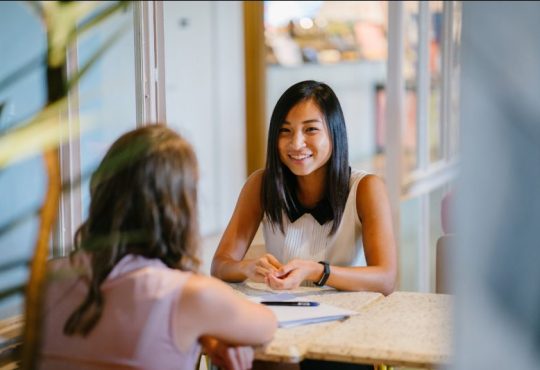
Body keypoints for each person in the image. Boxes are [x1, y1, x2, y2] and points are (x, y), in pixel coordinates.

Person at [40, 125, 277, 370]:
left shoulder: (47, 278)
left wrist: (202, 334)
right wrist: (206, 331)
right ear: (178, 208)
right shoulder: (189, 293)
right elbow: (266, 325)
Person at [211, 80, 397, 293]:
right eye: (285, 130)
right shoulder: (260, 185)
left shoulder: (366, 188)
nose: (296, 143)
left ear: (334, 133)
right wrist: (247, 267)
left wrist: (317, 271)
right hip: (282, 313)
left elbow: (385, 279)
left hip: (349, 315)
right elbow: (219, 266)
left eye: (311, 129)